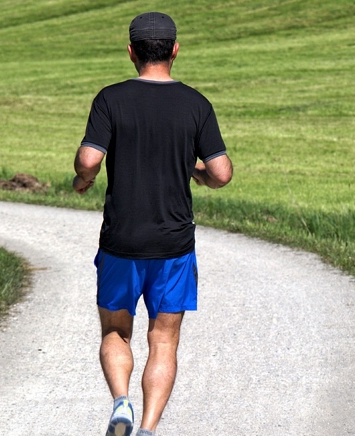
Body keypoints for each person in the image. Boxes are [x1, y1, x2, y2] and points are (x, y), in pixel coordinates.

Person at [72, 11, 233, 436]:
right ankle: (147, 429)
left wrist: (83, 179)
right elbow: (221, 173)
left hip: (121, 240)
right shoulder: (196, 104)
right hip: (173, 244)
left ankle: (120, 402)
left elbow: (89, 160)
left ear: (131, 53)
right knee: (163, 340)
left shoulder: (110, 99)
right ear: (175, 51)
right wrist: (196, 172)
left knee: (115, 332)